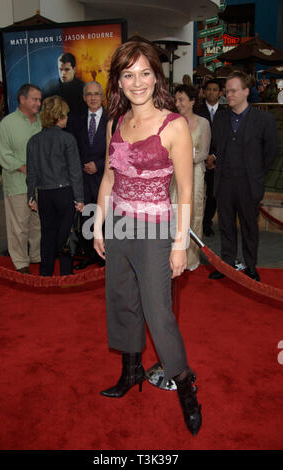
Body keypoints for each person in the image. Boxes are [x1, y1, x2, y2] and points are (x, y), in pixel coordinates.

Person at [93, 41, 202, 436]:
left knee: (159, 313)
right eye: (127, 74)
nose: (136, 82)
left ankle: (186, 387)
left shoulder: (174, 125)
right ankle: (131, 372)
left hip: (156, 228)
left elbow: (186, 192)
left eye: (143, 73)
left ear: (156, 75)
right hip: (119, 223)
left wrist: (179, 244)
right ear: (118, 81)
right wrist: (99, 223)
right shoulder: (114, 124)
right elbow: (109, 177)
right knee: (122, 301)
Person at [209, 71, 279, 281]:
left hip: (249, 184)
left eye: (233, 90)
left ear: (246, 91)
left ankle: (251, 267)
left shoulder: (263, 119)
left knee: (250, 228)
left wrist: (257, 172)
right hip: (224, 184)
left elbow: (272, 150)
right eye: (226, 90)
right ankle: (227, 264)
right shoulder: (220, 118)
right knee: (225, 226)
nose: (228, 94)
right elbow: (216, 146)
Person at [26, 96, 84, 276]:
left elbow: (32, 173)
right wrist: (79, 198)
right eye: (65, 115)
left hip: (44, 195)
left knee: (47, 235)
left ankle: (45, 274)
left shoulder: (33, 141)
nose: (67, 118)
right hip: (64, 193)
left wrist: (31, 196)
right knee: (65, 236)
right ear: (59, 117)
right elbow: (75, 171)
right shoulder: (68, 139)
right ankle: (65, 275)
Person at [0, 84, 42, 274]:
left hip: (41, 184)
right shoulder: (8, 124)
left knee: (37, 223)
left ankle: (37, 256)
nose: (39, 103)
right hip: (17, 184)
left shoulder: (41, 122)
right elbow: (1, 153)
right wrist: (22, 167)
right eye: (35, 99)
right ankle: (21, 262)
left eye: (40, 99)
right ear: (22, 100)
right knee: (19, 225)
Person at [67, 81, 108, 269]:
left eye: (96, 94)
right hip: (82, 179)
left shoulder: (113, 119)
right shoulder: (75, 120)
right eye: (89, 94)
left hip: (104, 178)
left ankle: (105, 256)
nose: (93, 98)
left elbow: (117, 150)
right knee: (86, 218)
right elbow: (71, 149)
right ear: (84, 98)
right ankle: (89, 254)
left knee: (104, 216)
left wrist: (98, 165)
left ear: (102, 96)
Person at [172, 84, 211, 270]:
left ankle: (191, 258)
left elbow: (204, 152)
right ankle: (173, 253)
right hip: (174, 174)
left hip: (195, 173)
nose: (178, 103)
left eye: (182, 100)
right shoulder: (171, 121)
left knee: (194, 213)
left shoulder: (203, 123)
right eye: (176, 99)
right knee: (174, 211)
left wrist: (187, 159)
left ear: (192, 101)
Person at [196, 79, 224, 237]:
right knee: (198, 194)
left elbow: (226, 138)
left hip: (217, 161)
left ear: (221, 93)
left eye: (215, 89)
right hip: (199, 159)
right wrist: (205, 156)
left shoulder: (226, 113)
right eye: (209, 89)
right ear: (204, 92)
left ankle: (207, 222)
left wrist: (214, 156)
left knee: (213, 195)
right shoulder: (197, 111)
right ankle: (196, 223)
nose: (211, 92)